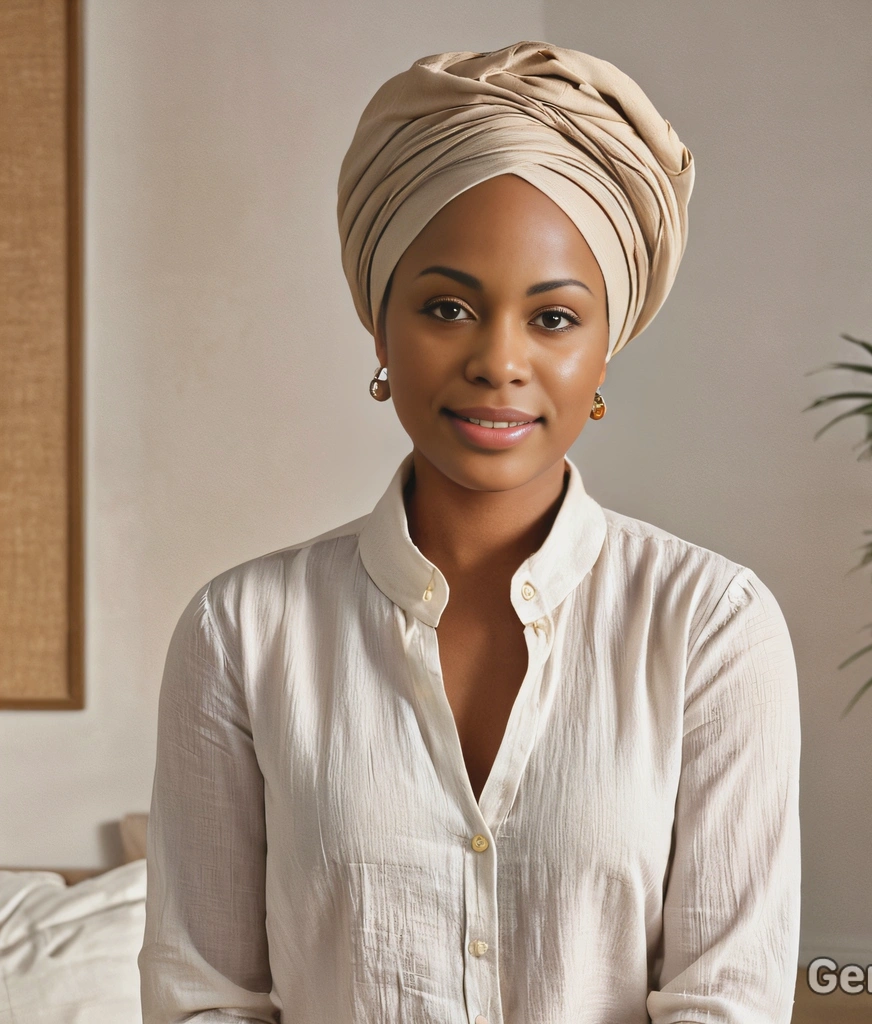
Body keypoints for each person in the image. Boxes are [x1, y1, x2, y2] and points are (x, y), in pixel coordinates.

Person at [138, 40, 801, 1024]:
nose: (499, 361)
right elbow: (204, 996)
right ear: (379, 325)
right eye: (447, 307)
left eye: (554, 317)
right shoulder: (239, 631)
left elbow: (727, 999)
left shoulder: (712, 626)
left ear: (606, 344)